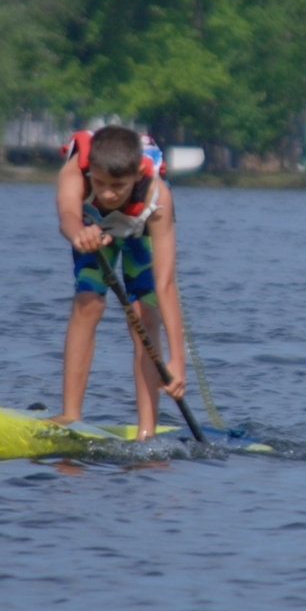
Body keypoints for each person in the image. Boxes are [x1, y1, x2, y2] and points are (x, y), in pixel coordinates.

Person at [54, 123, 187, 433]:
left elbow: (165, 283)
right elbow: (67, 217)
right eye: (99, 183)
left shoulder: (158, 196)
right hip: (92, 228)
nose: (108, 193)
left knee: (144, 315)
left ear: (137, 176)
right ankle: (71, 416)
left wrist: (177, 361)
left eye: (118, 185)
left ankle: (147, 431)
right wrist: (80, 235)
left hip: (139, 232)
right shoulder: (76, 172)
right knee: (89, 302)